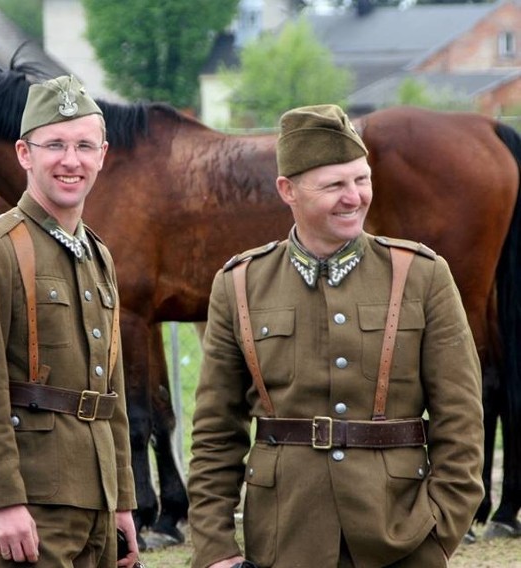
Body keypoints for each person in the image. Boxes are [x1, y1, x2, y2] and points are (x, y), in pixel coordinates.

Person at [187, 104, 485, 568]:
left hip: (401, 537)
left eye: (361, 180)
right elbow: (215, 432)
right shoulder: (240, 284)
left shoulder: (422, 275)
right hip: (284, 538)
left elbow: (461, 420)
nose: (355, 197)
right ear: (287, 190)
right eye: (334, 185)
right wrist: (214, 548)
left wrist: (439, 534)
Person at [0, 75, 140, 567]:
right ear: (25, 154)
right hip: (30, 499)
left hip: (95, 498)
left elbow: (109, 392)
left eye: (84, 146)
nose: (71, 160)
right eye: (55, 145)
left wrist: (123, 501)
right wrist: (0, 499)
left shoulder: (97, 255)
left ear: (103, 154)